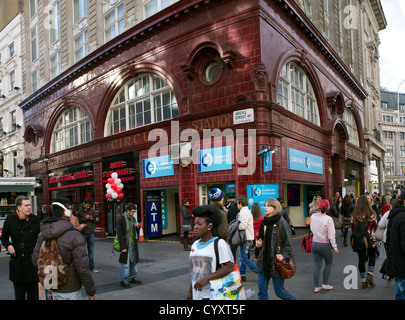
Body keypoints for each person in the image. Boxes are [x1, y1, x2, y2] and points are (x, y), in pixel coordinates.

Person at [32, 198, 96, 300]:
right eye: (69, 208)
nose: (71, 211)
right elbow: (82, 268)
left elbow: (35, 260)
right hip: (70, 289)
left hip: (50, 287)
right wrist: (91, 291)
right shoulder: (74, 236)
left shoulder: (42, 234)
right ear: (65, 212)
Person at [187, 205, 234, 300]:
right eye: (194, 224)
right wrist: (190, 292)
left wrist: (207, 278)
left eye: (199, 224)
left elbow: (229, 267)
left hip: (212, 294)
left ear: (210, 226)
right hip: (197, 295)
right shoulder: (195, 244)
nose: (195, 227)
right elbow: (195, 272)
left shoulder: (219, 244)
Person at [1, 196, 41, 300]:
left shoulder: (36, 220)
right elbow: (4, 237)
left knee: (33, 296)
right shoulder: (10, 220)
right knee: (19, 296)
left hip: (32, 263)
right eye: (26, 205)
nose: (29, 207)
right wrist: (8, 246)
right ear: (19, 207)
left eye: (29, 205)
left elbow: (42, 239)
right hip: (17, 263)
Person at [256, 198, 296, 300]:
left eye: (269, 206)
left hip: (276, 263)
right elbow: (260, 240)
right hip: (264, 261)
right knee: (261, 291)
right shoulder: (264, 222)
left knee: (280, 292)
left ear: (275, 208)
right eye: (265, 205)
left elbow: (288, 244)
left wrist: (283, 255)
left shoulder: (281, 222)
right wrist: (257, 245)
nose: (265, 207)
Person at [310, 199, 339, 293]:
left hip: (314, 244)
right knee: (329, 263)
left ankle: (316, 287)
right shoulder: (328, 219)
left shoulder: (313, 216)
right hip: (324, 245)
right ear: (328, 208)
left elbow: (311, 228)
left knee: (317, 265)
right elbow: (331, 234)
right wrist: (334, 247)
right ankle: (325, 284)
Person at [351, 195, 378, 289]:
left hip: (359, 239)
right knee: (372, 256)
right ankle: (370, 275)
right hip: (370, 238)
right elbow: (375, 226)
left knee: (361, 259)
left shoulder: (355, 213)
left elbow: (352, 227)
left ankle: (363, 281)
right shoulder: (371, 212)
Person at [385, 191, 405, 300]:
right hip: (402, 263)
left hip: (396, 261)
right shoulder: (403, 217)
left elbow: (388, 239)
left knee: (399, 292)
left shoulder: (395, 214)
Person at [117, 202, 142, 288]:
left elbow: (135, 233)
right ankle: (123, 280)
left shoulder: (133, 219)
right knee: (125, 263)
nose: (133, 213)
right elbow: (119, 234)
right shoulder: (121, 219)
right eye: (132, 211)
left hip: (133, 244)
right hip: (126, 244)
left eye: (134, 211)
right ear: (127, 210)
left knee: (133, 262)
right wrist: (123, 247)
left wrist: (137, 227)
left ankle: (133, 277)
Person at [236, 195, 257, 282]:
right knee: (242, 256)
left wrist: (236, 225)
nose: (237, 205)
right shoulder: (246, 211)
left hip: (245, 237)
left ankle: (258, 271)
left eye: (237, 203)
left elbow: (242, 226)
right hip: (246, 237)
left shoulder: (244, 212)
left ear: (240, 203)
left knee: (243, 258)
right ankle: (242, 274)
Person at [78, 198, 97, 273]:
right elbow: (77, 221)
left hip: (91, 232)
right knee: (82, 251)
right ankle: (83, 267)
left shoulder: (91, 210)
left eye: (90, 205)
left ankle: (92, 267)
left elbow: (95, 220)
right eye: (87, 205)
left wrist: (92, 219)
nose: (88, 206)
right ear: (84, 203)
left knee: (91, 251)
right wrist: (84, 219)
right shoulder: (79, 210)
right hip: (83, 233)